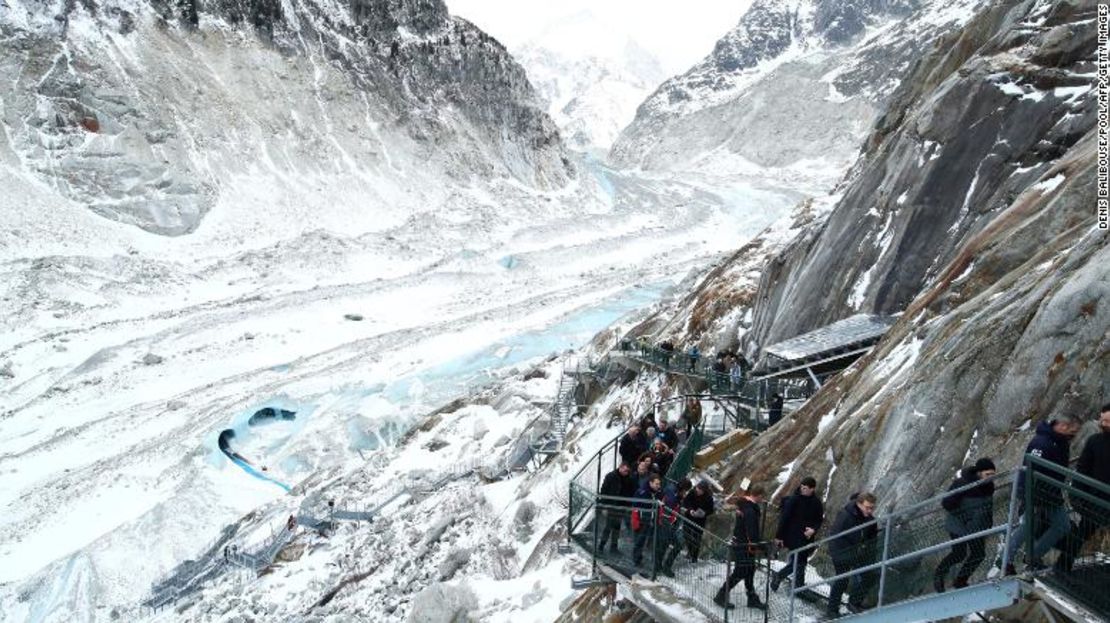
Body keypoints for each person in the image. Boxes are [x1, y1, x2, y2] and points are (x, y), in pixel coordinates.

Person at [1004, 415, 1081, 573]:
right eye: (1073, 431)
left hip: (1051, 493)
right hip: (1036, 492)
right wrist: (1027, 495)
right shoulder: (1042, 442)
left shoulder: (1060, 442)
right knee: (1028, 525)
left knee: (1061, 526)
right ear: (1063, 426)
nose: (1075, 435)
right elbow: (1031, 469)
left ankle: (1032, 556)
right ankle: (1006, 560)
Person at [1058, 405, 1110, 572]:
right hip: (1095, 501)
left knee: (1081, 534)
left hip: (1100, 500)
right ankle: (1061, 568)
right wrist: (1078, 498)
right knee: (1081, 534)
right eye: (1102, 420)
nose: (1103, 424)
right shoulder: (1095, 441)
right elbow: (1083, 469)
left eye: (1107, 421)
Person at [934, 458, 996, 592]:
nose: (990, 478)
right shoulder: (962, 483)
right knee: (959, 553)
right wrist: (963, 514)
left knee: (978, 554)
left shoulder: (989, 486)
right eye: (988, 474)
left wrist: (987, 523)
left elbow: (987, 506)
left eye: (992, 474)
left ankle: (961, 580)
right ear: (979, 473)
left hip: (977, 525)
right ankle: (939, 574)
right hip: (959, 524)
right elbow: (947, 503)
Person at [713, 485, 767, 611]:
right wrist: (762, 547)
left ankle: (752, 598)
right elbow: (752, 532)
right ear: (758, 495)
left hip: (741, 544)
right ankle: (721, 595)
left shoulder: (745, 506)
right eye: (762, 497)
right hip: (744, 546)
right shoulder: (750, 510)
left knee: (749, 570)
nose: (762, 499)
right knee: (741, 571)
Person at [827, 492, 878, 617]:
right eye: (867, 507)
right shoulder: (846, 515)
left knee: (870, 575)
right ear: (859, 504)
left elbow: (872, 537)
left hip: (858, 553)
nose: (870, 510)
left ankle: (854, 602)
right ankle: (832, 610)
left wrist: (866, 548)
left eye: (872, 508)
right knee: (842, 580)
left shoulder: (870, 520)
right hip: (842, 552)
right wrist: (840, 554)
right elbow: (835, 536)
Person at [771, 477, 824, 591]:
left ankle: (798, 585)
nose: (803, 490)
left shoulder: (816, 502)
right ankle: (782, 577)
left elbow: (819, 520)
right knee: (799, 562)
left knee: (801, 561)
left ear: (812, 489)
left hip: (807, 537)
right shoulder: (794, 499)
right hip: (794, 536)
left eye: (805, 488)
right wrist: (779, 536)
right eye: (802, 487)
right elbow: (784, 518)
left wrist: (813, 530)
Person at [598, 462, 637, 553]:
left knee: (617, 528)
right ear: (620, 467)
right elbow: (604, 491)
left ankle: (613, 547)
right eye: (625, 470)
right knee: (608, 527)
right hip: (611, 506)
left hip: (621, 507)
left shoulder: (629, 479)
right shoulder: (611, 476)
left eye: (627, 471)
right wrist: (604, 506)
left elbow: (630, 493)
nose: (626, 472)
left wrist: (628, 506)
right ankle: (601, 546)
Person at [655, 480, 689, 577]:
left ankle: (659, 565)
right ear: (683, 490)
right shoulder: (673, 497)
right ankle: (665, 566)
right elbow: (667, 512)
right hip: (666, 524)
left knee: (664, 545)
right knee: (674, 545)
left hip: (668, 524)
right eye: (686, 491)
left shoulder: (674, 493)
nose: (686, 493)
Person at [632, 475, 667, 567]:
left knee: (647, 540)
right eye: (656, 484)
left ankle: (645, 559)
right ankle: (637, 560)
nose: (658, 486)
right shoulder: (642, 492)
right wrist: (654, 502)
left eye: (659, 484)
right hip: (642, 519)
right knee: (639, 540)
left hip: (652, 519)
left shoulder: (658, 492)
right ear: (650, 483)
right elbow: (636, 503)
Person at [682, 480, 716, 562]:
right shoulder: (692, 493)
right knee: (686, 535)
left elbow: (710, 510)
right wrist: (690, 510)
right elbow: (686, 502)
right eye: (697, 489)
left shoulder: (709, 498)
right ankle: (690, 552)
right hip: (689, 517)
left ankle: (694, 557)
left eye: (700, 490)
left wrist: (704, 513)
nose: (698, 491)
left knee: (697, 538)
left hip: (700, 520)